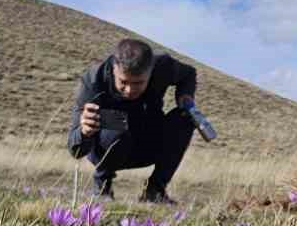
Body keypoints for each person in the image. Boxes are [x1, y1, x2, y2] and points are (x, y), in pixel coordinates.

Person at [67, 38, 201, 203]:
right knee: (117, 122)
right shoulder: (93, 81)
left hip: (147, 143)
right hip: (108, 147)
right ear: (114, 68)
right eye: (123, 82)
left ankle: (154, 191)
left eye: (138, 83)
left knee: (185, 118)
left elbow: (188, 73)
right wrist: (84, 132)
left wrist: (185, 96)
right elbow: (76, 150)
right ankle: (102, 188)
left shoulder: (163, 66)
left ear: (151, 70)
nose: (130, 90)